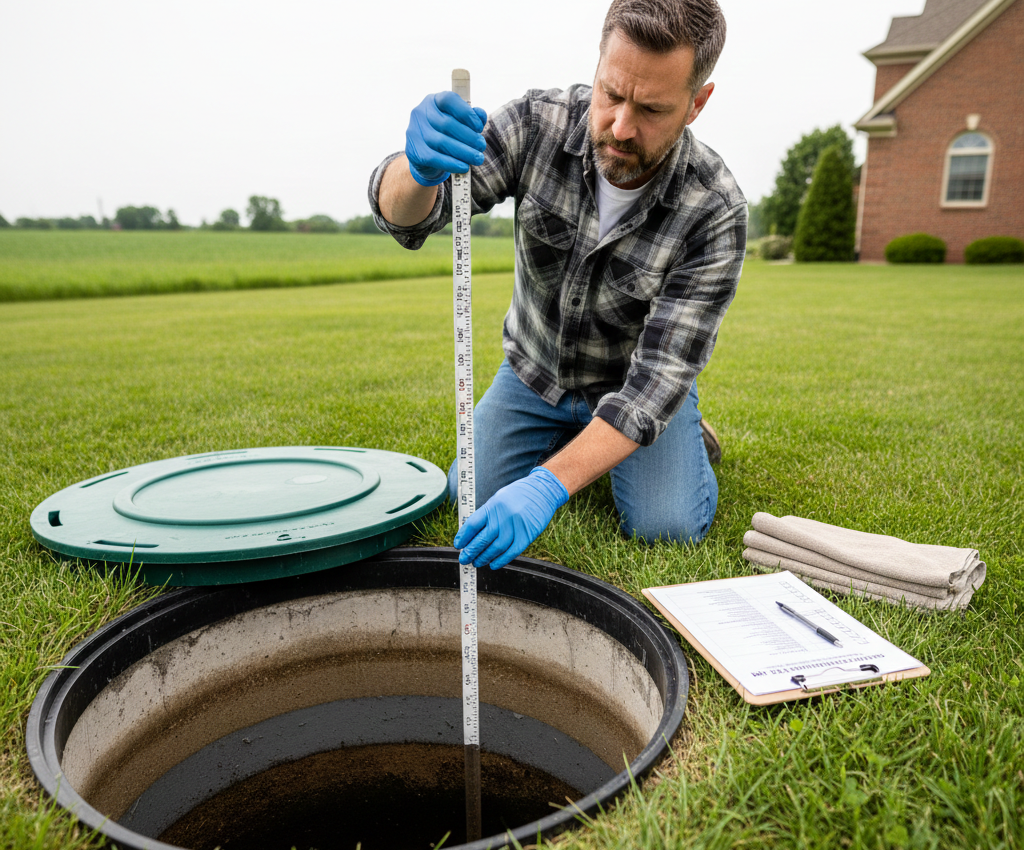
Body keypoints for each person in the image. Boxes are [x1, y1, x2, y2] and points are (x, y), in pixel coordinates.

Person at [369, 0, 746, 571]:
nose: (621, 126)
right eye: (611, 94)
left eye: (651, 109)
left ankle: (684, 437)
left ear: (697, 103)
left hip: (632, 385)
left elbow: (655, 383)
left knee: (666, 527)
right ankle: (580, 444)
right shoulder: (534, 125)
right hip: (532, 374)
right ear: (598, 67)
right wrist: (416, 170)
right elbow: (413, 218)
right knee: (464, 494)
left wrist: (548, 486)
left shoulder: (714, 210)